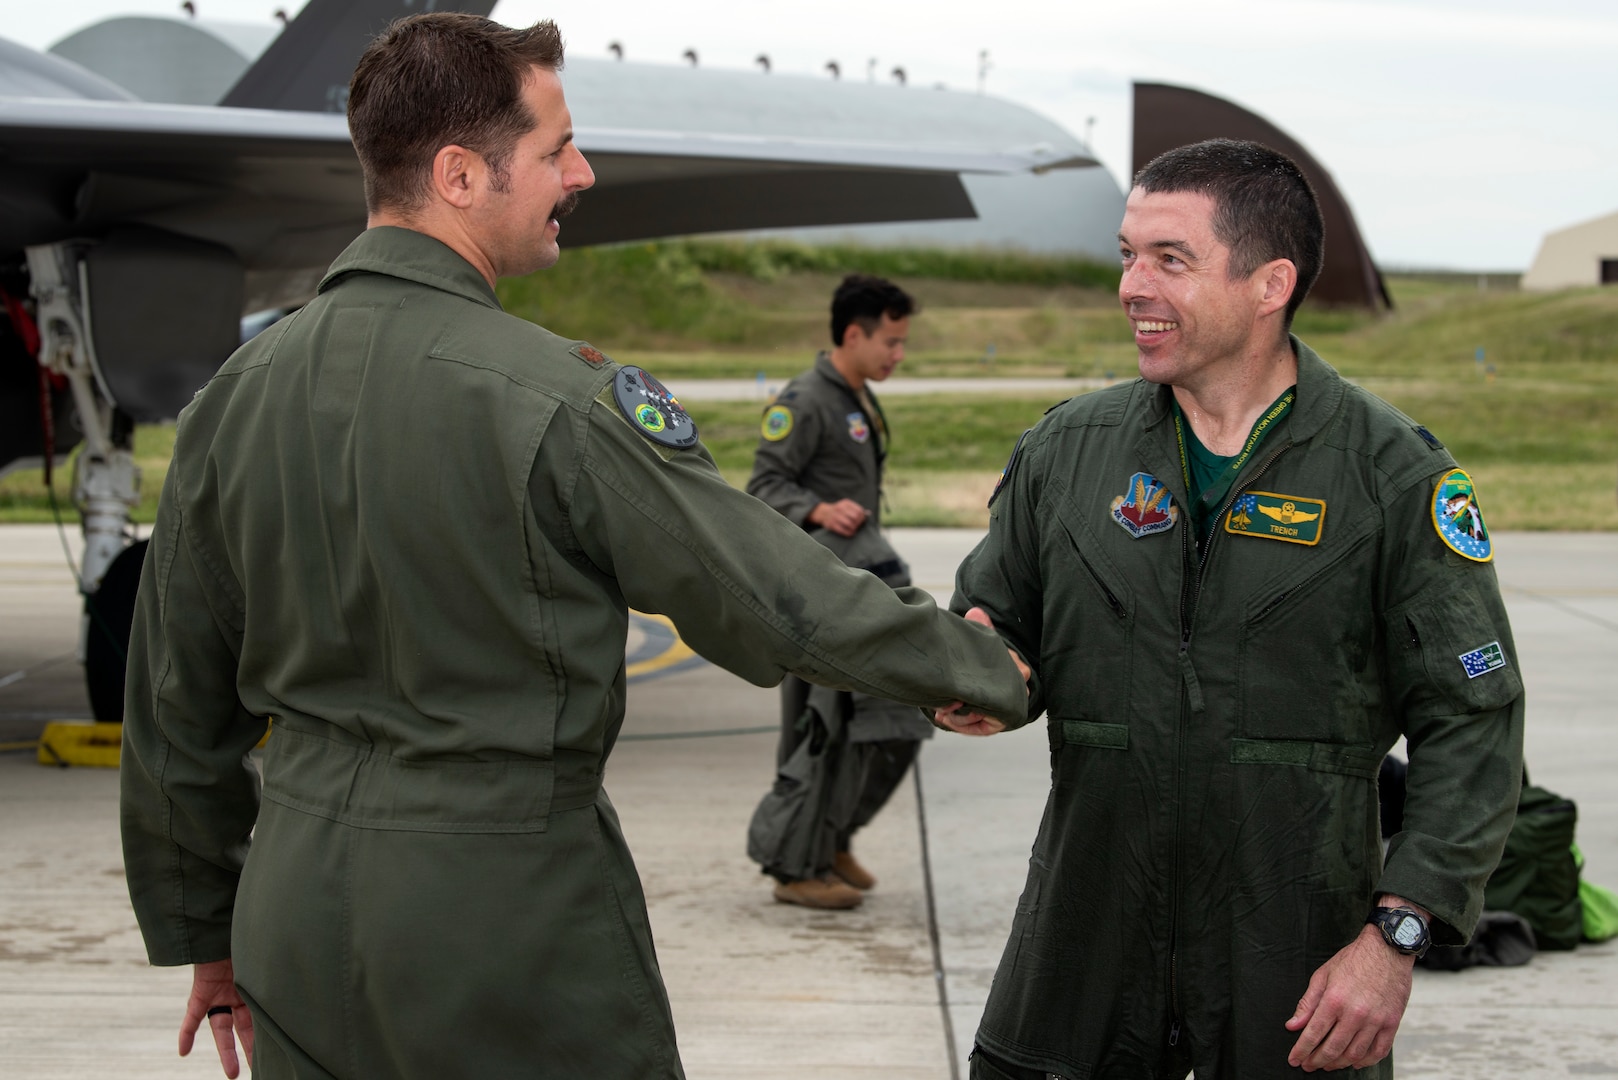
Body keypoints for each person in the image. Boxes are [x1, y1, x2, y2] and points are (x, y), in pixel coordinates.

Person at [117, 15, 1027, 1080]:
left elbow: (175, 702)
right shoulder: (553, 398)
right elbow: (770, 589)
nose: (581, 172)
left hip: (295, 914)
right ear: (461, 174)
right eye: (556, 150)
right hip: (501, 909)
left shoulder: (232, 399)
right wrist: (978, 670)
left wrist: (206, 935)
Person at [945, 139, 1524, 1080]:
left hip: (1289, 984)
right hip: (1077, 968)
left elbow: (1475, 722)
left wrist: (1397, 937)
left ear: (1270, 285)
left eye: (1170, 260)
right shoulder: (1067, 453)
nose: (1133, 284)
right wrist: (971, 677)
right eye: (1127, 254)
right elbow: (994, 625)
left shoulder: (1392, 477)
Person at [745, 274, 924, 910]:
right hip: (815, 600)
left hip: (853, 590)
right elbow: (762, 488)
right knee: (815, 728)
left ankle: (832, 838)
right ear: (854, 334)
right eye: (892, 342)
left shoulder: (854, 396)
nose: (898, 355)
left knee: (872, 724)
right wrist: (818, 508)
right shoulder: (805, 400)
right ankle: (795, 866)